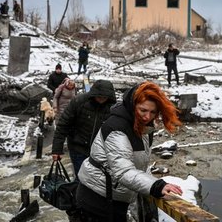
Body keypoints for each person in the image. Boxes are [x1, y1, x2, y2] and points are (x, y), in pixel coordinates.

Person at [73, 81, 183, 222]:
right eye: (143, 110)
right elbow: (123, 171)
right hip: (97, 199)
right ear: (132, 106)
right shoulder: (117, 128)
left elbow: (140, 165)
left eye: (153, 112)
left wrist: (152, 183)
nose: (147, 117)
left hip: (114, 196)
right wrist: (155, 186)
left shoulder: (142, 127)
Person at [51, 79, 116, 180]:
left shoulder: (113, 108)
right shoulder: (79, 102)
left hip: (101, 151)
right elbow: (63, 125)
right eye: (99, 96)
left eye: (104, 97)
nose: (101, 99)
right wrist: (57, 149)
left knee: (97, 180)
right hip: (78, 148)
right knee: (82, 178)